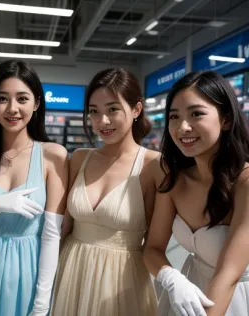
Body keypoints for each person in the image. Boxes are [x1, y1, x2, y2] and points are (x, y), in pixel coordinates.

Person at [0, 59, 69, 316]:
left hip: (27, 269)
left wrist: (42, 302)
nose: (12, 108)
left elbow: (52, 235)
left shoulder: (53, 156)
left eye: (22, 99)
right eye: (3, 98)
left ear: (37, 103)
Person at [143, 71, 249, 316]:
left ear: (226, 119)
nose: (183, 127)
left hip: (236, 297)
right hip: (189, 290)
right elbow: (152, 248)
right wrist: (171, 277)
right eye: (174, 117)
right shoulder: (175, 179)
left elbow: (228, 275)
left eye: (196, 114)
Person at [51, 67, 159, 316]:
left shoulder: (152, 165)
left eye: (113, 109)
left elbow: (155, 241)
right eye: (94, 112)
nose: (103, 122)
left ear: (136, 110)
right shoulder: (80, 158)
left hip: (122, 281)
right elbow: (64, 228)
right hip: (72, 272)